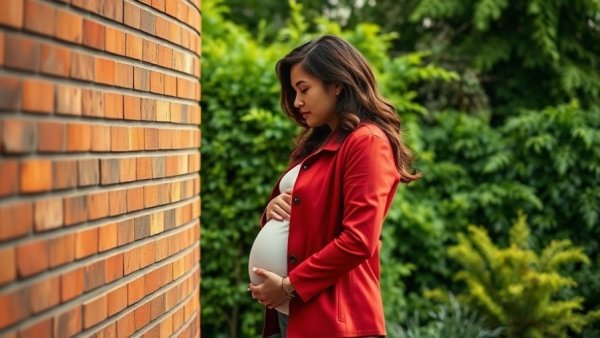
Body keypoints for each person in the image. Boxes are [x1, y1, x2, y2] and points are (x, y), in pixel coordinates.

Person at [248, 35, 419, 338]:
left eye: (304, 89)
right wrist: (272, 210)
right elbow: (310, 215)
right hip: (298, 310)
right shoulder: (321, 141)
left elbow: (358, 240)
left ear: (337, 84)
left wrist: (289, 286)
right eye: (294, 91)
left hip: (335, 318)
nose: (297, 102)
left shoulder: (367, 141)